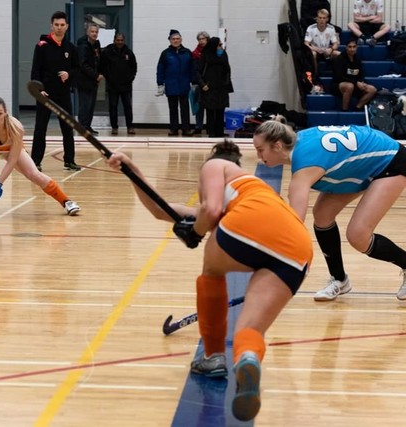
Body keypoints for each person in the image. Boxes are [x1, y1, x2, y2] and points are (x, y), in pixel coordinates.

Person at [105, 141, 312, 422]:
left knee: (212, 273)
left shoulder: (217, 165)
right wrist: (134, 173)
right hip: (297, 249)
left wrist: (196, 234)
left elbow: (210, 210)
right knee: (250, 329)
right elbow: (162, 210)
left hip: (247, 227)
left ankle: (213, 356)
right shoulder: (248, 192)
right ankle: (247, 359)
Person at [253, 120, 406, 301]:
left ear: (277, 145)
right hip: (364, 161)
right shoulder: (298, 144)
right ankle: (340, 279)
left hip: (390, 162)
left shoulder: (304, 164)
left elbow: (294, 223)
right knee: (322, 215)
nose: (258, 155)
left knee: (358, 236)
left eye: (260, 149)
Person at [0, 96, 81, 216]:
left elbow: (12, 160)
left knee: (35, 175)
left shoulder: (16, 128)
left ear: (5, 113)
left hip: (11, 151)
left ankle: (67, 202)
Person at [30, 10, 81, 172]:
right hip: (45, 95)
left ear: (67, 26)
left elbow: (77, 68)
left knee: (68, 127)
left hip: (64, 94)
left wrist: (69, 74)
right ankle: (35, 161)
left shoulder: (71, 48)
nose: (59, 28)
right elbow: (35, 70)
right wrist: (39, 90)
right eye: (56, 25)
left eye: (62, 25)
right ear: (51, 26)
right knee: (40, 128)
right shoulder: (41, 46)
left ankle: (69, 160)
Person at [156, 29, 197, 137]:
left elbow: (193, 68)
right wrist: (160, 84)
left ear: (181, 39)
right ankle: (173, 129)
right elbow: (160, 69)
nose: (175, 40)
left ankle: (186, 129)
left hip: (184, 84)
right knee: (173, 108)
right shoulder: (165, 54)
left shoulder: (187, 52)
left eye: (177, 38)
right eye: (173, 39)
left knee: (185, 108)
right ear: (169, 40)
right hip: (171, 85)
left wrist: (194, 82)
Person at [100, 32, 137, 136]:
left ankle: (130, 127)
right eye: (118, 40)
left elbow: (134, 67)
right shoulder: (107, 52)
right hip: (112, 85)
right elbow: (102, 66)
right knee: (113, 107)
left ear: (123, 41)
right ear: (114, 40)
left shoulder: (129, 52)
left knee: (128, 107)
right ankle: (114, 127)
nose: (120, 42)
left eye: (121, 40)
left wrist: (131, 78)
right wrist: (109, 77)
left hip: (126, 85)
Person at [198, 37, 232, 138]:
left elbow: (227, 69)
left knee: (221, 110)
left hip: (221, 87)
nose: (221, 47)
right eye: (219, 45)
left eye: (221, 45)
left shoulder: (223, 55)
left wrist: (226, 82)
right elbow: (198, 72)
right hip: (209, 88)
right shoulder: (205, 55)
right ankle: (211, 132)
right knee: (210, 111)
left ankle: (220, 132)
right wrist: (202, 84)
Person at [332, 39, 377, 111]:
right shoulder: (339, 59)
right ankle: (345, 110)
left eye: (354, 47)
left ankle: (358, 108)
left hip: (355, 84)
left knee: (372, 89)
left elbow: (361, 74)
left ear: (357, 48)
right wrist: (356, 83)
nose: (352, 49)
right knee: (349, 86)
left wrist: (361, 82)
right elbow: (339, 77)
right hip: (339, 84)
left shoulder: (358, 59)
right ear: (346, 47)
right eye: (350, 47)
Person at [75, 22, 103, 135]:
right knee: (85, 105)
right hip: (84, 80)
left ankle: (88, 126)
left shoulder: (96, 44)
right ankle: (82, 127)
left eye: (96, 32)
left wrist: (99, 73)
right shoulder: (83, 46)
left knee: (91, 106)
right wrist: (96, 75)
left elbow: (98, 60)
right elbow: (83, 64)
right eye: (92, 31)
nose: (94, 34)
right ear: (87, 32)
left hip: (93, 81)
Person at [304, 9, 341, 80]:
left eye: (324, 18)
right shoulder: (311, 28)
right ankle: (315, 74)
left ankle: (337, 75)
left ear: (327, 19)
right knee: (313, 53)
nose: (322, 20)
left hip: (326, 51)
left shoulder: (331, 28)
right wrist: (314, 48)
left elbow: (336, 43)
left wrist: (331, 49)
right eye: (320, 18)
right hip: (315, 50)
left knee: (338, 54)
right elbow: (306, 43)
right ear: (316, 19)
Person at [191, 31, 209, 135]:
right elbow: (194, 70)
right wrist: (200, 83)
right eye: (199, 39)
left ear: (207, 39)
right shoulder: (195, 53)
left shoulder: (211, 52)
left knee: (210, 106)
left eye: (203, 39)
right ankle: (198, 126)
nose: (201, 41)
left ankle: (210, 126)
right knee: (199, 106)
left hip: (209, 83)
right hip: (198, 82)